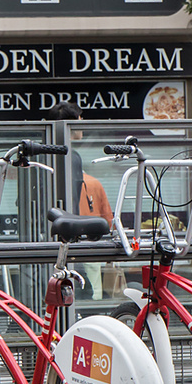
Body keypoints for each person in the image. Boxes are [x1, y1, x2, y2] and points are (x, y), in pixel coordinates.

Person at [46, 101, 114, 298]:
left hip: (48, 234)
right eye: (79, 118)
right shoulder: (71, 156)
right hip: (67, 236)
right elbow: (72, 200)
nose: (82, 122)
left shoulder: (46, 153)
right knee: (78, 290)